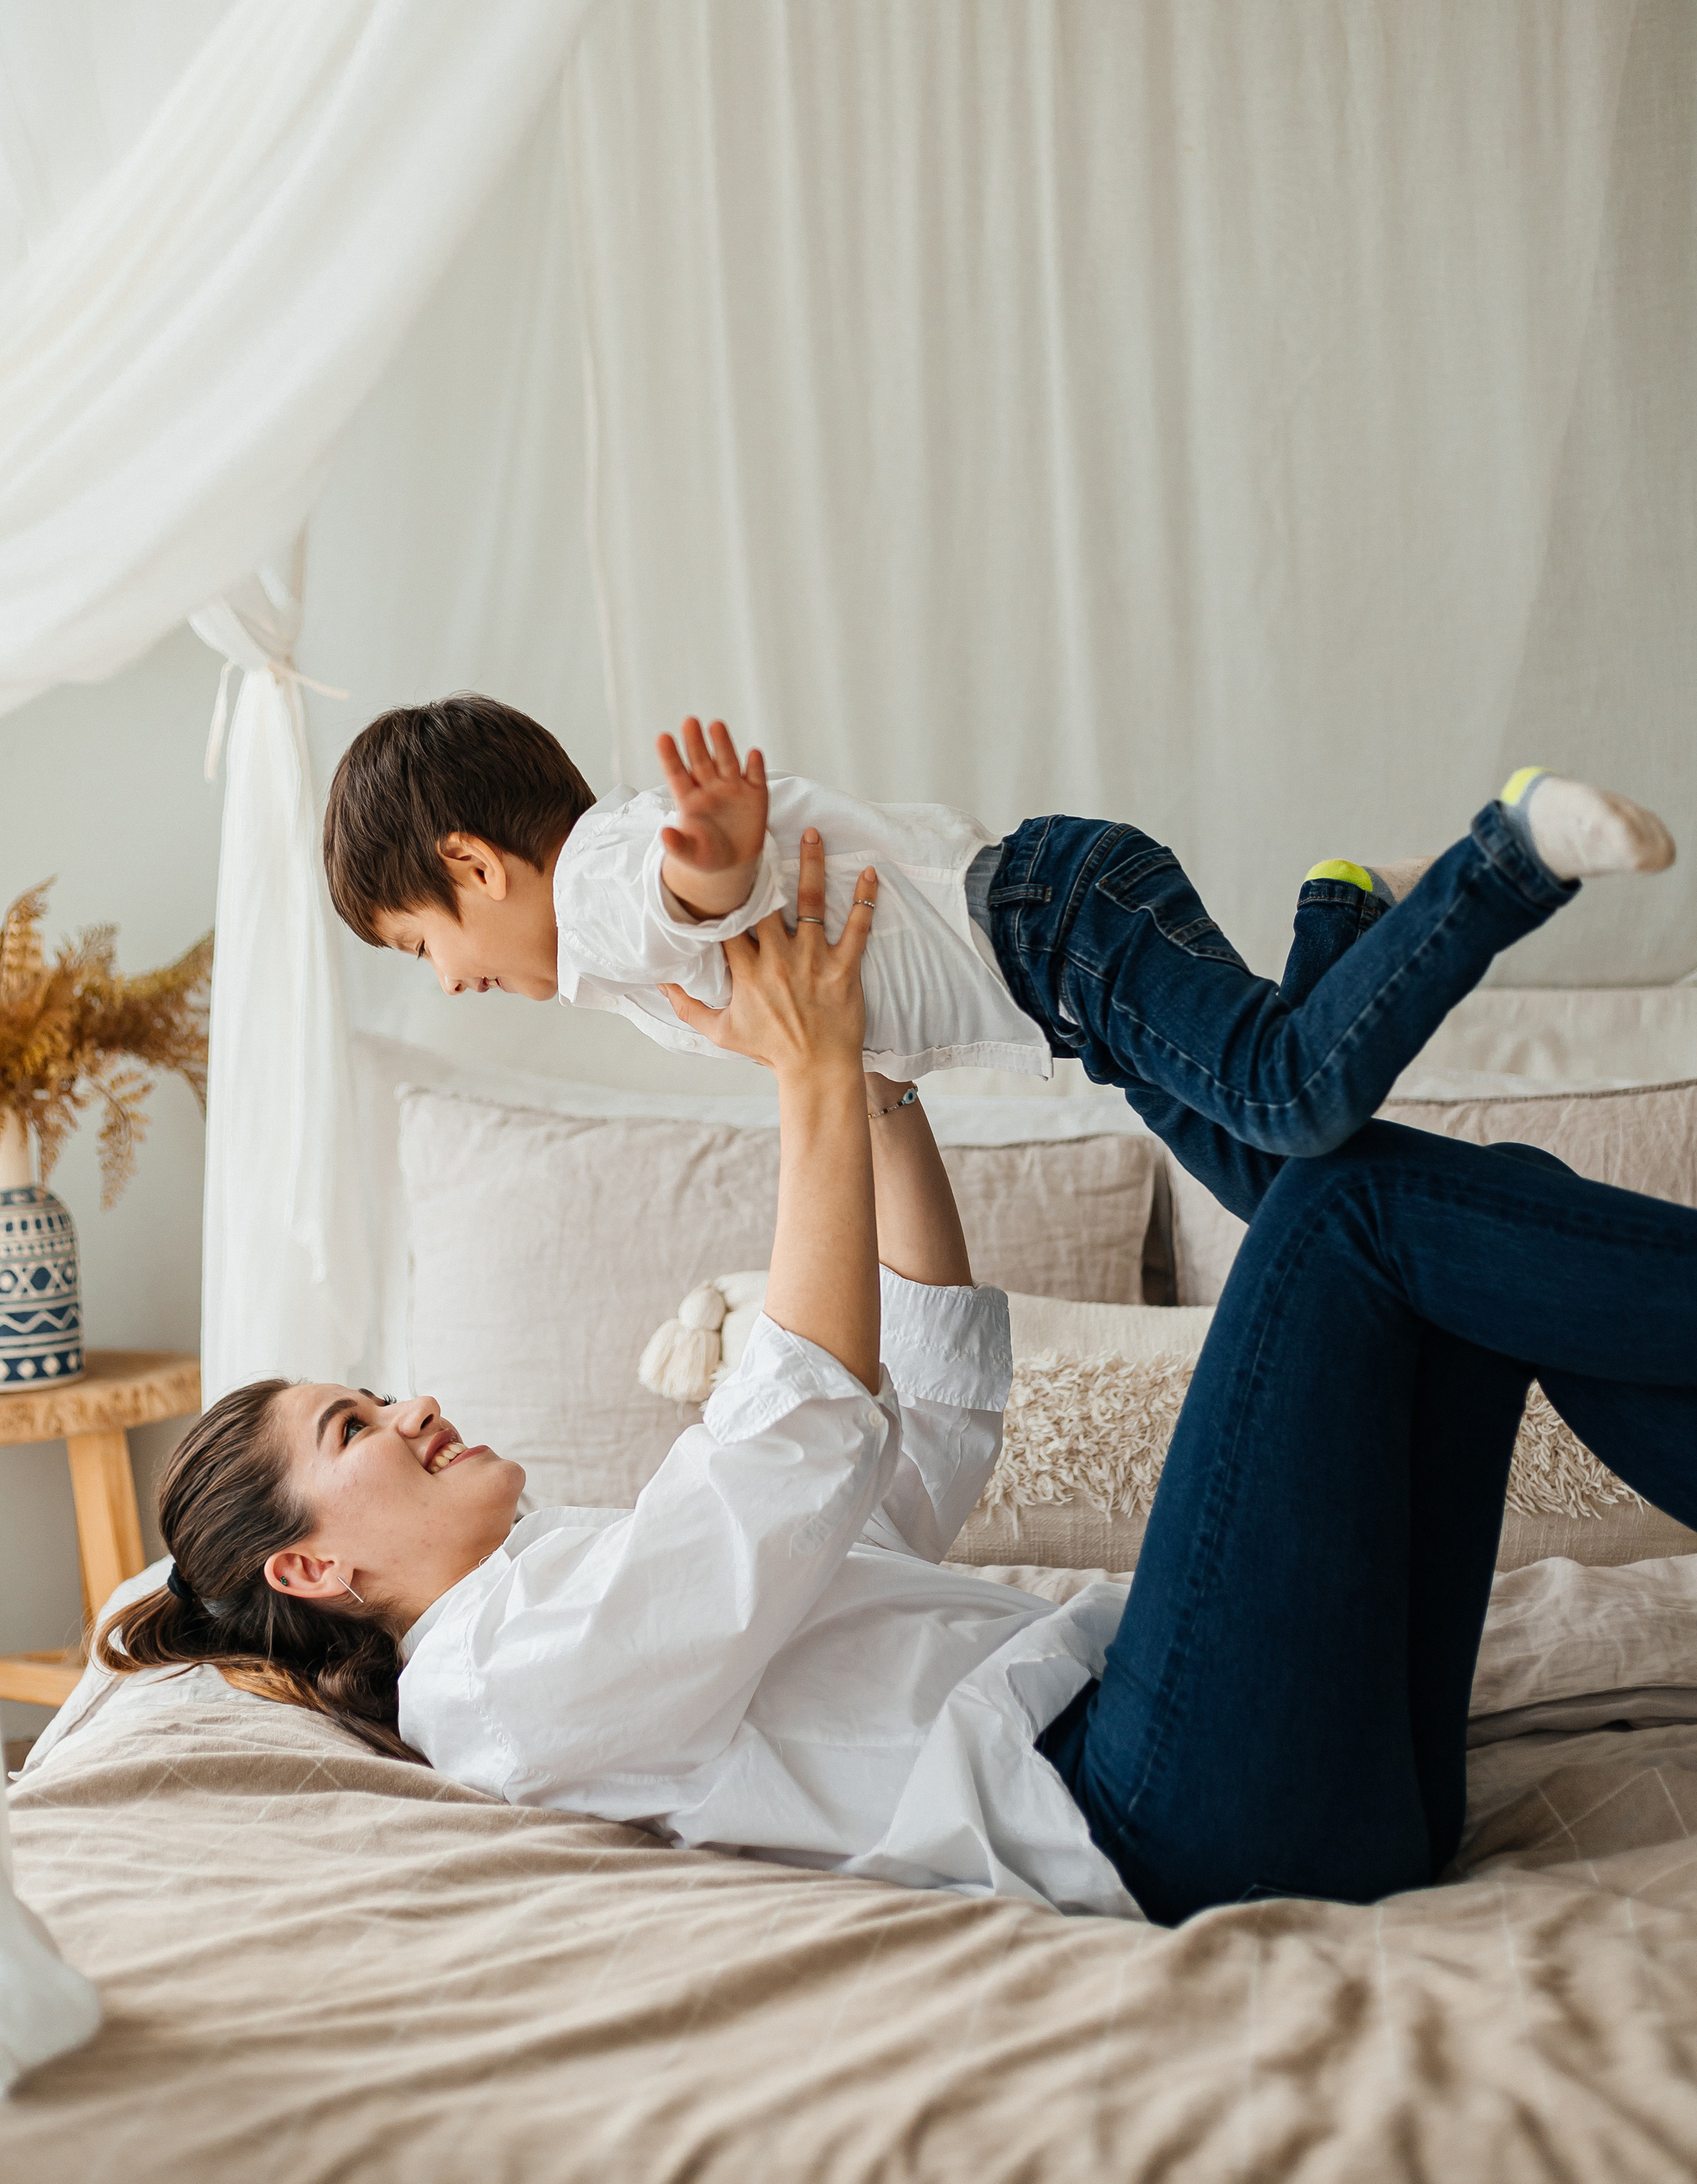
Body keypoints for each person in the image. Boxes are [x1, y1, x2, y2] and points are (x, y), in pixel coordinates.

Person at [105, 835, 1697, 1923]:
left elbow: (912, 1438)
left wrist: (867, 1094)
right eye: (355, 1426)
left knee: (1451, 1235)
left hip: (1319, 1781)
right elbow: (788, 1445)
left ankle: (1351, 950)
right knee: (1343, 1213)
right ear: (313, 1562)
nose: (409, 1407)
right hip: (1163, 1815)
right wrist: (793, 1084)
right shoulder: (493, 1691)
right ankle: (1353, 929)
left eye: (374, 1390)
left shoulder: (565, 1562)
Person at [321, 693, 1672, 1161]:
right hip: (1060, 969)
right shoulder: (601, 938)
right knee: (1282, 1159)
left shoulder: (607, 881)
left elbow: (664, 901)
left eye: (414, 943)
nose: (442, 985)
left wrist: (712, 871)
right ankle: (1342, 903)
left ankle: (1504, 853)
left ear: (472, 867)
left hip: (1049, 927)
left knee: (1296, 1100)